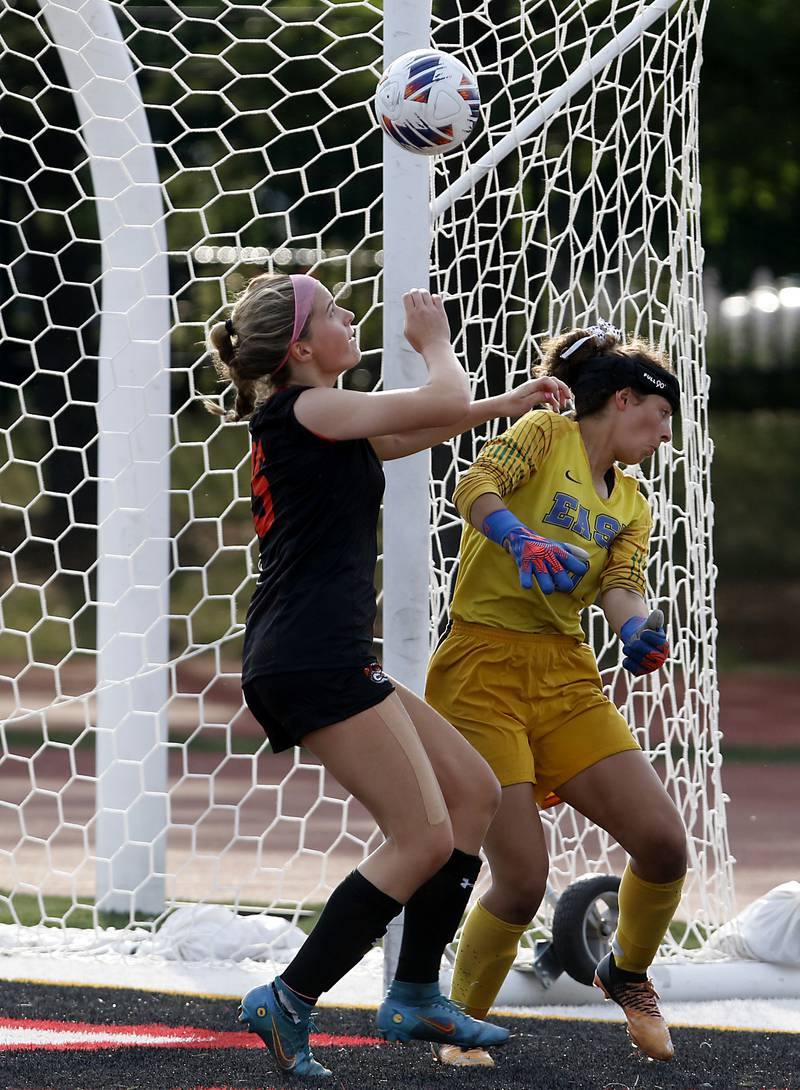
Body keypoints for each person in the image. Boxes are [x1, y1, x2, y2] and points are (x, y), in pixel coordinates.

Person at [204, 271, 583, 1079]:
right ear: (301, 348)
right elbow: (436, 394)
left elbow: (420, 427)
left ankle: (413, 991)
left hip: (325, 651)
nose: (350, 317)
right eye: (335, 312)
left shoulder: (325, 419)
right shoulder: (311, 408)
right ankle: (290, 997)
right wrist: (433, 343)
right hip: (309, 655)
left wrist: (506, 405)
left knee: (472, 793)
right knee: (422, 836)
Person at [424, 319, 688, 1067]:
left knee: (665, 844)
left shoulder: (634, 503)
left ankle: (626, 973)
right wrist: (517, 537)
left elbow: (622, 587)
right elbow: (471, 486)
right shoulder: (544, 429)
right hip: (480, 670)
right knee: (522, 879)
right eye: (662, 415)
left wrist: (640, 630)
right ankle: (457, 1028)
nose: (667, 435)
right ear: (626, 397)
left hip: (566, 674)